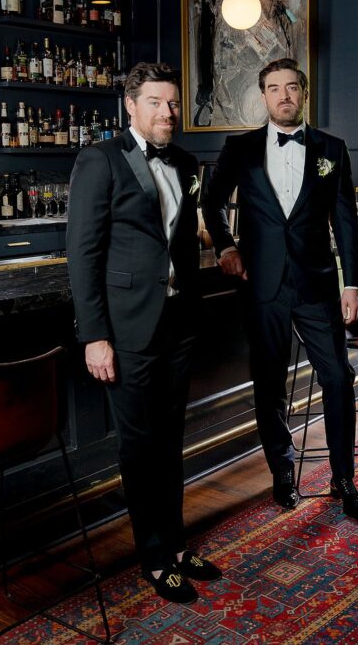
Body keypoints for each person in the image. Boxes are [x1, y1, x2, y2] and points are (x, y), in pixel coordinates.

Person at [67, 62, 221, 603]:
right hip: (125, 328)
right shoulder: (100, 160)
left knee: (170, 441)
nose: (168, 112)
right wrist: (94, 335)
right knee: (139, 448)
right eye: (155, 102)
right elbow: (82, 253)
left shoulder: (183, 160)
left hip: (177, 324)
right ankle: (154, 558)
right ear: (130, 106)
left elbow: (179, 236)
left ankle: (175, 546)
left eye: (173, 102)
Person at [202, 58, 358, 523]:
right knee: (270, 384)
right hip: (262, 287)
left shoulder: (331, 148)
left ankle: (344, 478)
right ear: (264, 96)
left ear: (304, 92)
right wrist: (226, 247)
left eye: (292, 87)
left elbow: (346, 224)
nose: (284, 96)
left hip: (316, 285)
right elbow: (210, 203)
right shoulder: (240, 148)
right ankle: (282, 471)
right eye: (274, 88)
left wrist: (351, 283)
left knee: (338, 378)